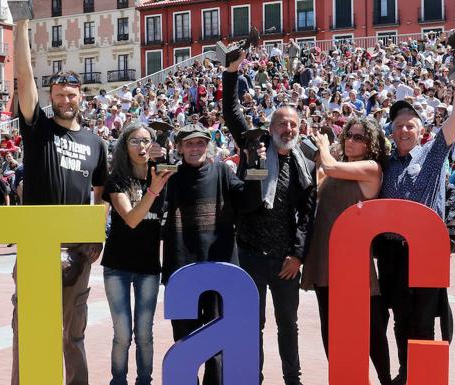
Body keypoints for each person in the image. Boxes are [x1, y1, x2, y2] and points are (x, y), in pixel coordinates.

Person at [13, 19, 109, 385]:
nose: (65, 100)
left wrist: (97, 234)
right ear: (50, 98)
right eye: (59, 95)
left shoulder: (96, 143)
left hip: (78, 251)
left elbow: (100, 194)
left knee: (73, 333)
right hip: (38, 246)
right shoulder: (38, 129)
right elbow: (23, 77)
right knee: (29, 328)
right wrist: (21, 25)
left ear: (81, 97)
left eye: (71, 95)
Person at [376, 47, 455, 385]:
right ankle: (406, 373)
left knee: (424, 317)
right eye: (398, 125)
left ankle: (424, 375)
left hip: (425, 250)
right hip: (391, 253)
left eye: (410, 125)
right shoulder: (383, 162)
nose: (404, 130)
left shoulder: (432, 153)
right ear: (391, 130)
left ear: (420, 129)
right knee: (400, 318)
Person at [223, 51, 317, 385]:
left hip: (285, 261)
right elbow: (233, 115)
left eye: (292, 124)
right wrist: (231, 73)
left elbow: (308, 215)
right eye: (281, 123)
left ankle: (293, 379)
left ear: (298, 127)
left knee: (288, 325)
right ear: (270, 126)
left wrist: (297, 255)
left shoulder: (304, 161)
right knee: (251, 324)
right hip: (249, 254)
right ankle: (252, 378)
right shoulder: (255, 146)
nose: (287, 128)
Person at [161, 124, 264, 385]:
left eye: (200, 143)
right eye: (189, 143)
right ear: (180, 147)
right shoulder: (170, 176)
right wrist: (156, 157)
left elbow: (250, 202)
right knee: (184, 338)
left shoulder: (222, 171)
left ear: (207, 146)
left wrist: (255, 165)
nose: (195, 148)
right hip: (183, 269)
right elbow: (153, 196)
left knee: (218, 343)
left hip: (220, 270)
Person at [302, 118, 390, 385]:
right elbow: (316, 186)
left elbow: (329, 165)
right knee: (330, 330)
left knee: (372, 330)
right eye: (348, 135)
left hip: (354, 262)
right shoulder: (337, 170)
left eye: (359, 138)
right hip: (324, 257)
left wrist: (323, 146)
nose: (351, 141)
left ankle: (385, 380)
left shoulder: (371, 169)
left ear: (371, 144)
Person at [102, 124, 173, 385]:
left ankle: (145, 380)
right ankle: (118, 380)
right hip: (117, 266)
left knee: (144, 333)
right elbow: (131, 219)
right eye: (135, 141)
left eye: (146, 140)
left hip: (148, 266)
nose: (141, 146)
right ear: (124, 146)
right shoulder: (117, 179)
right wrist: (153, 189)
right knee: (122, 334)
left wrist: (165, 162)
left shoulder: (162, 174)